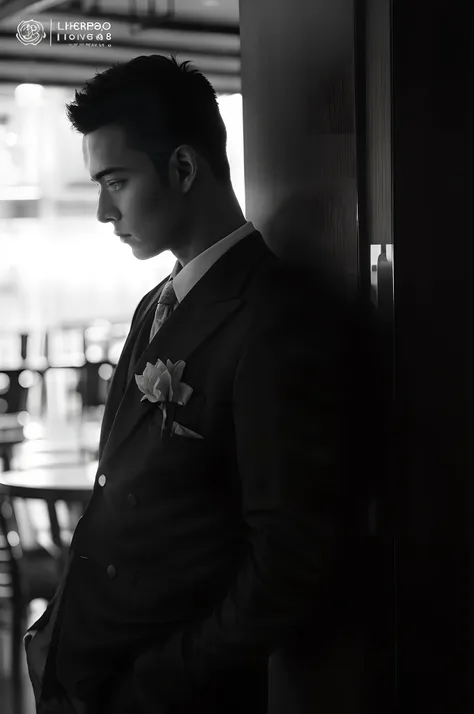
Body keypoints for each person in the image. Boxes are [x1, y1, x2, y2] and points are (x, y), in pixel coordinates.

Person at [25, 55, 374, 714]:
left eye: (116, 181)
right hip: (86, 673)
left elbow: (287, 564)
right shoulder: (153, 303)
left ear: (183, 169)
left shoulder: (278, 316)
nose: (103, 211)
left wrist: (151, 687)